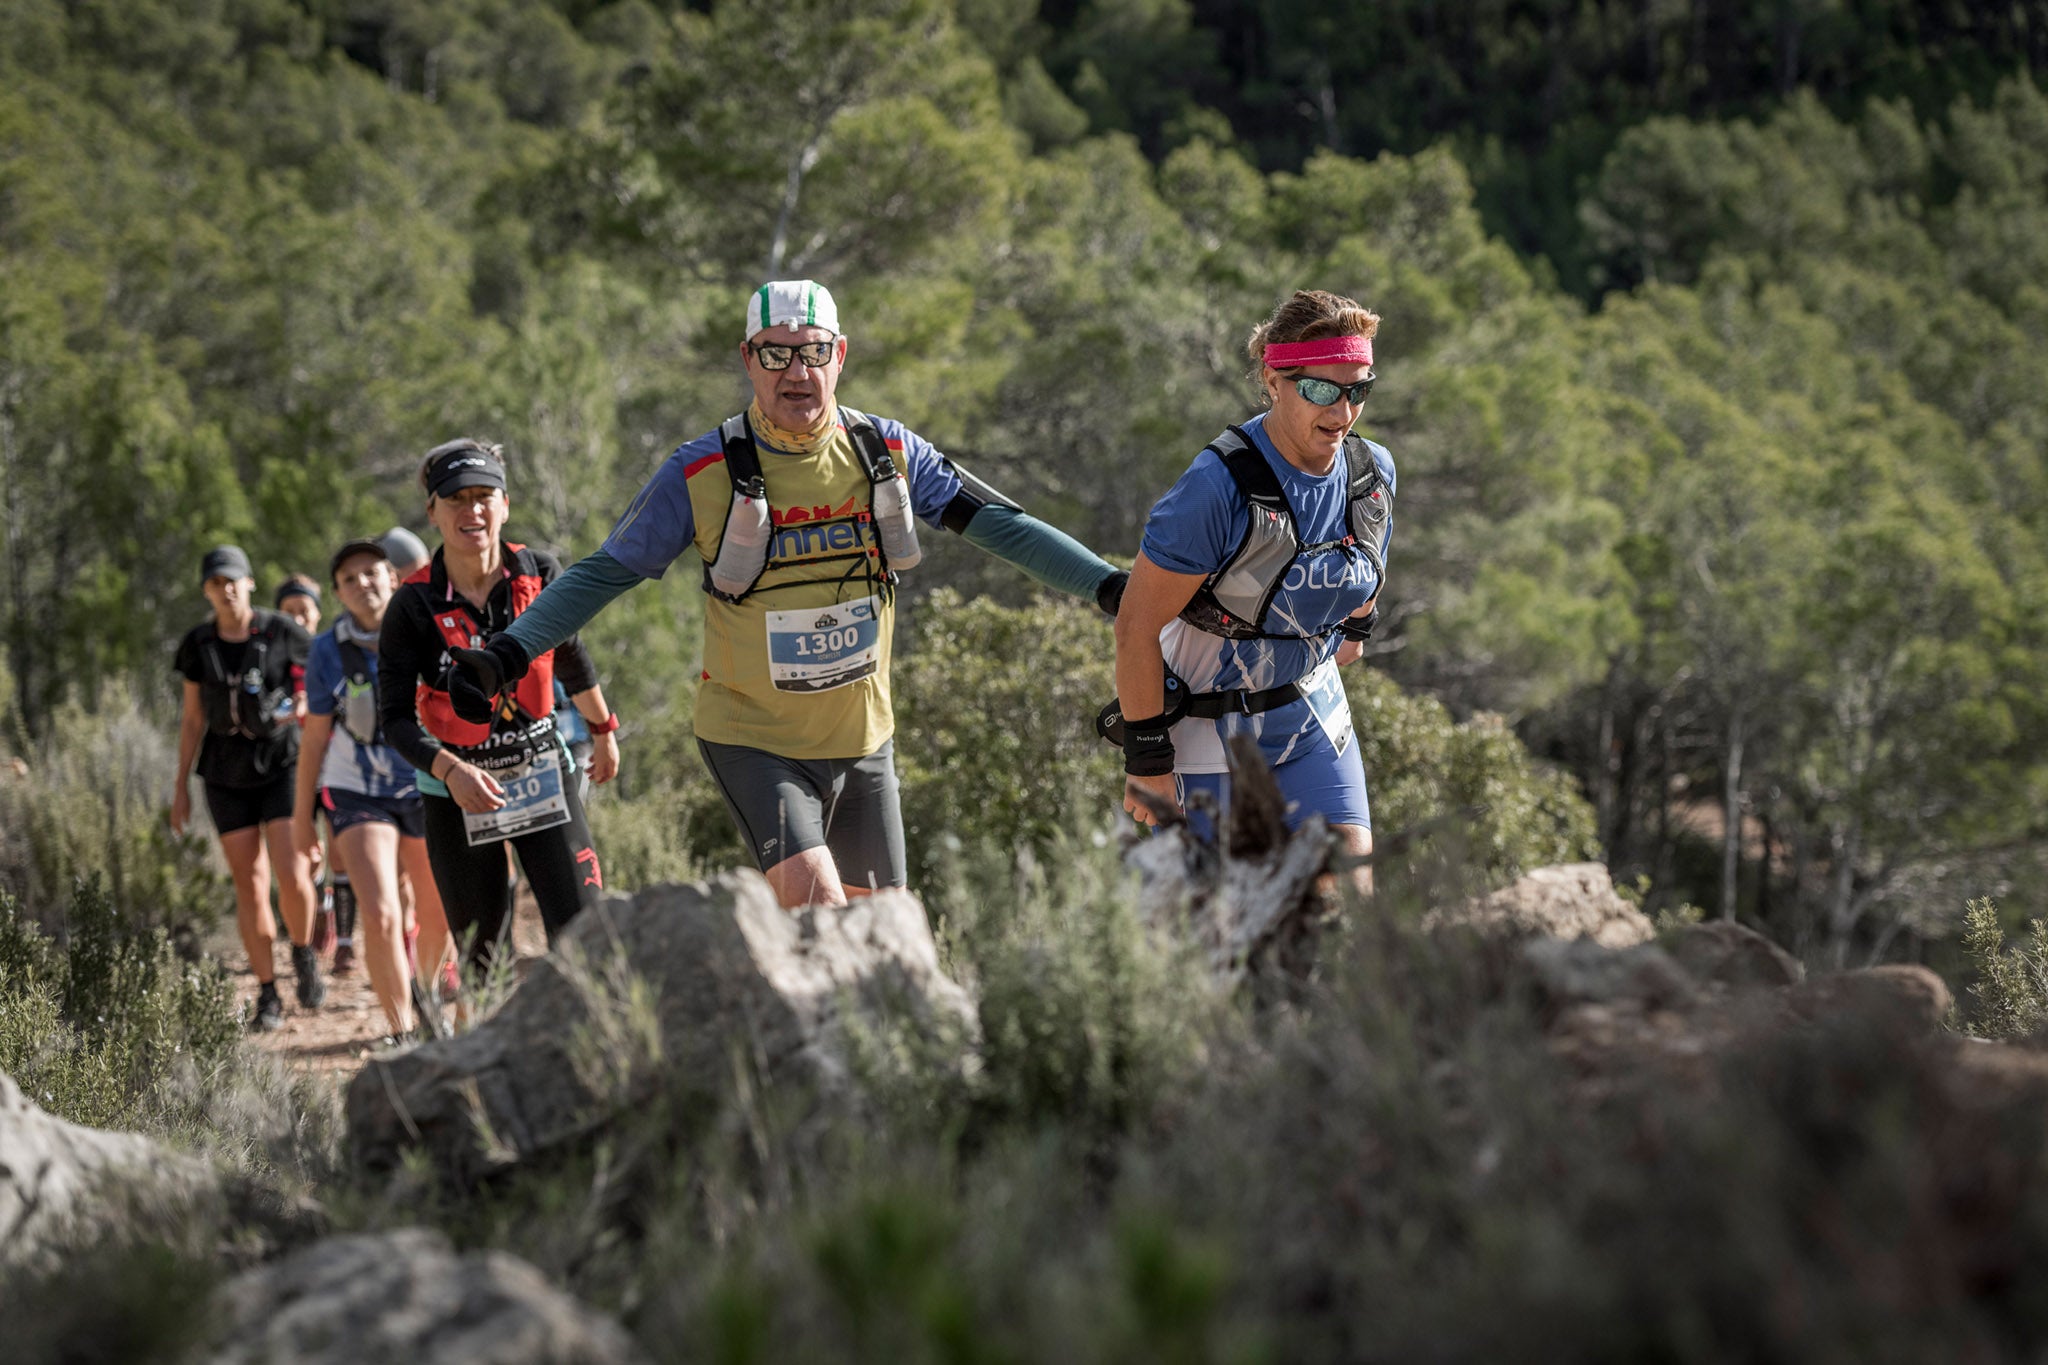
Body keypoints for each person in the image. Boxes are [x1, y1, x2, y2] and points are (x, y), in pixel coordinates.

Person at [449, 279, 1125, 909]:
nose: (796, 373)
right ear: (748, 358)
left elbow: (1003, 526)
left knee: (879, 938)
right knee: (823, 910)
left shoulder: (884, 450)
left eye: (813, 353)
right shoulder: (702, 469)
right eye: (776, 353)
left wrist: (1108, 585)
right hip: (755, 743)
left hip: (865, 744)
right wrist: (507, 653)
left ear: (840, 357)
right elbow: (604, 572)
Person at [1109, 289, 1394, 884]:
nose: (1342, 412)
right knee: (1223, 936)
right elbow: (1136, 626)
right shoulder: (1216, 489)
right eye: (1320, 389)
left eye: (1357, 390)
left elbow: (1362, 566)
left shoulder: (1371, 474)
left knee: (1344, 908)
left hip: (1314, 720)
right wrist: (1148, 758)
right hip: (1211, 736)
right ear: (1274, 379)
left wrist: (1355, 627)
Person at [376, 441, 621, 971]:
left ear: (505, 504)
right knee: (482, 955)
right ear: (432, 512)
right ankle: (492, 1050)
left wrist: (603, 728)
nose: (473, 511)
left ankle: (596, 1050)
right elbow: (392, 718)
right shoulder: (412, 604)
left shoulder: (538, 572)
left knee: (584, 930)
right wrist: (451, 771)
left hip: (540, 774)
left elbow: (572, 656)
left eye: (484, 495)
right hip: (456, 790)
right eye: (456, 498)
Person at [290, 538, 452, 1041]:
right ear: (338, 594)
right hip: (355, 788)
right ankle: (402, 1033)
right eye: (349, 579)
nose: (363, 583)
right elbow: (315, 736)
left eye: (372, 572)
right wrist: (301, 819)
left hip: (426, 781)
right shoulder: (326, 650)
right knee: (380, 912)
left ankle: (426, 995)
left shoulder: (428, 628)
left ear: (394, 578)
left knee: (437, 908)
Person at [171, 546, 326, 1029]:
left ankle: (302, 952)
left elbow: (321, 668)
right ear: (207, 590)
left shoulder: (280, 630)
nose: (227, 589)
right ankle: (267, 994)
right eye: (217, 583)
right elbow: (193, 717)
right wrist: (179, 786)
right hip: (223, 772)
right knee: (250, 883)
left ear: (250, 582)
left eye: (234, 580)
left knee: (292, 871)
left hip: (281, 763)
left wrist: (303, 702)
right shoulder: (198, 644)